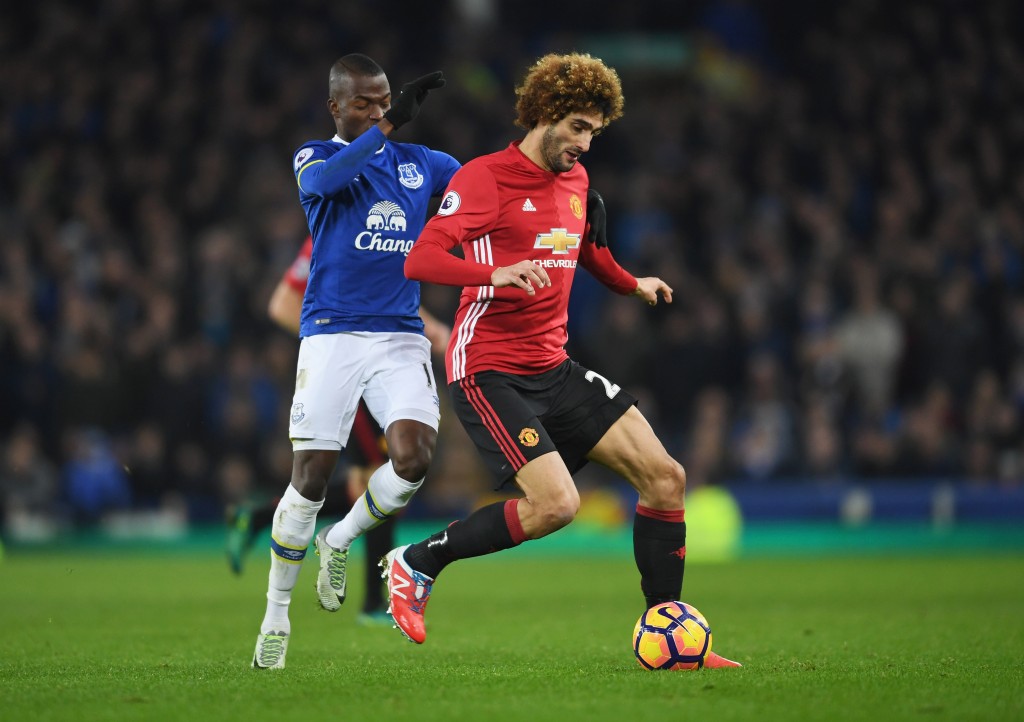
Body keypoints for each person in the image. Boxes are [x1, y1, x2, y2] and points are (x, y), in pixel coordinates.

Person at [387, 52, 741, 668]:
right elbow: (420, 261)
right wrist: (493, 272)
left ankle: (670, 628)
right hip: (488, 367)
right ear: (545, 114)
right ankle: (418, 562)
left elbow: (587, 253)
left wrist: (632, 283)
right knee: (557, 506)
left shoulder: (578, 185)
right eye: (577, 126)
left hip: (554, 366)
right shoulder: (483, 179)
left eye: (594, 133)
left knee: (667, 478)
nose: (584, 143)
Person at [251, 53, 461, 670]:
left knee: (414, 458)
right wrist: (383, 132)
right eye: (363, 102)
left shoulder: (425, 166)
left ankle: (339, 539)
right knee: (310, 478)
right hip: (331, 336)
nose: (377, 110)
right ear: (335, 107)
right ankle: (276, 617)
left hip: (399, 335)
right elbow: (321, 186)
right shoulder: (315, 158)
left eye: (384, 100)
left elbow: (481, 189)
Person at [227, 235, 450, 628]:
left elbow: (382, 292)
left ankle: (260, 517)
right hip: (350, 367)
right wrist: (337, 338)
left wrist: (426, 326)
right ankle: (369, 601)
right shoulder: (333, 228)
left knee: (377, 479)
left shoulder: (378, 222)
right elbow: (282, 304)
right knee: (379, 476)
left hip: (379, 360)